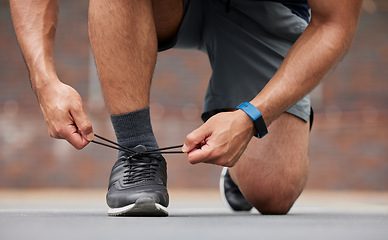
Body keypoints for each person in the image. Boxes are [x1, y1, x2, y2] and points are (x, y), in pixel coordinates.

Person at [10, 0, 362, 216]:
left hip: (266, 9)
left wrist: (251, 117)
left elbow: (336, 22)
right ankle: (138, 153)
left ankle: (238, 172)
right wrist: (44, 81)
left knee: (273, 191)